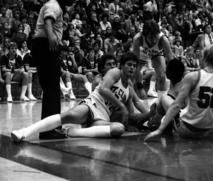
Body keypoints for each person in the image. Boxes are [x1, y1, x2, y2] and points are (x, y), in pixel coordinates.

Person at [10, 52, 139, 142]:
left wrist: (151, 115)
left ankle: (71, 132)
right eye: (129, 65)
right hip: (92, 105)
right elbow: (102, 89)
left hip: (103, 117)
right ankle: (24, 131)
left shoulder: (129, 88)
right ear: (121, 66)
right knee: (68, 116)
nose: (132, 68)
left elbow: (133, 112)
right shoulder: (113, 73)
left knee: (119, 129)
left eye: (134, 66)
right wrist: (121, 106)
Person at [144, 45, 213, 143]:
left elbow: (176, 105)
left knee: (163, 99)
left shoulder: (193, 76)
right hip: (208, 129)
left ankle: (157, 127)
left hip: (186, 130)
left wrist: (159, 130)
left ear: (204, 59)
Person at [32, 0, 76, 139]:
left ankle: (48, 128)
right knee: (52, 89)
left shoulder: (55, 6)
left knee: (50, 89)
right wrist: (51, 36)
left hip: (42, 45)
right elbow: (48, 20)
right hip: (46, 46)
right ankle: (50, 129)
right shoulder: (54, 5)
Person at [132, 19, 173, 98]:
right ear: (144, 35)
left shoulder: (163, 40)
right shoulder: (138, 39)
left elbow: (172, 62)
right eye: (151, 37)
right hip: (143, 51)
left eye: (155, 37)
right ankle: (132, 98)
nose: (153, 40)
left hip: (156, 53)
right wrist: (140, 87)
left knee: (161, 76)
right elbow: (134, 64)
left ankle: (161, 100)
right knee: (132, 74)